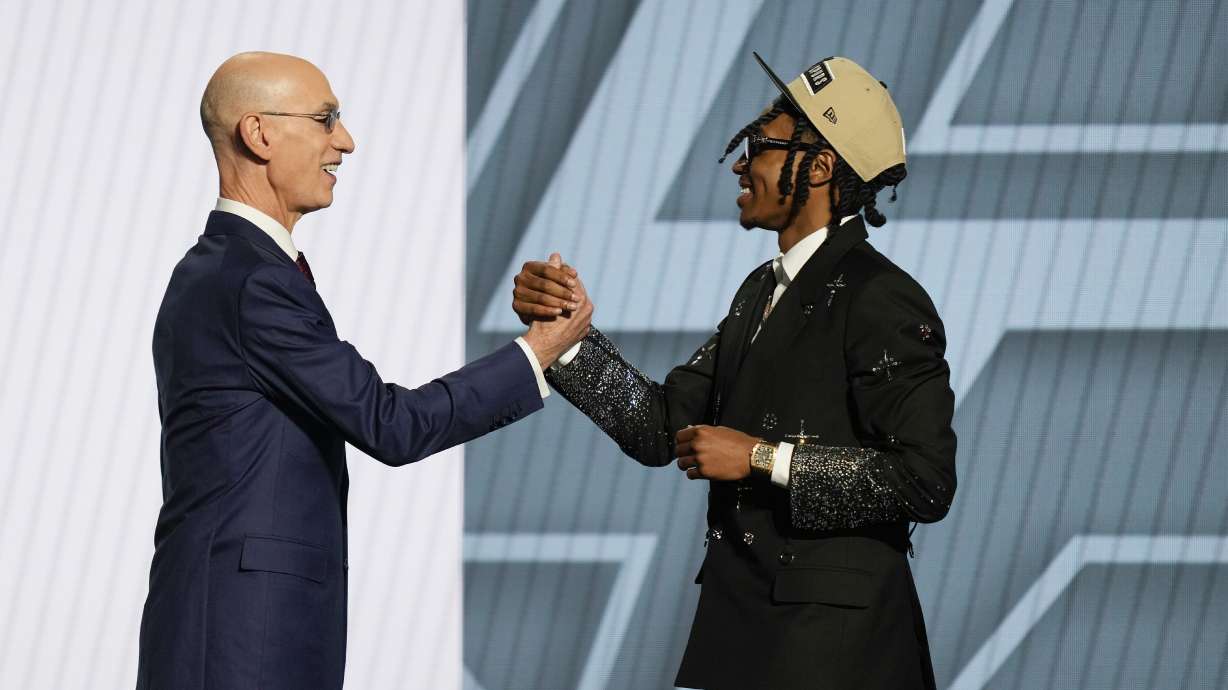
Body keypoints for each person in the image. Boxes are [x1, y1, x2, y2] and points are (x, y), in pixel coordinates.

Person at [135, 52, 591, 690]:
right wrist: (535, 353)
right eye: (326, 120)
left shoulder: (231, 271)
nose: (344, 142)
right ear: (259, 133)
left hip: (248, 626)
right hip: (241, 637)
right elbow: (391, 424)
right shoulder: (250, 281)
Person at [512, 54, 956, 689]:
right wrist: (568, 335)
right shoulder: (760, 291)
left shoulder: (880, 296)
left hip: (837, 655)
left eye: (761, 144)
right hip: (753, 637)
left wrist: (763, 458)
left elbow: (925, 481)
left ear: (822, 166)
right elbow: (661, 428)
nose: (743, 162)